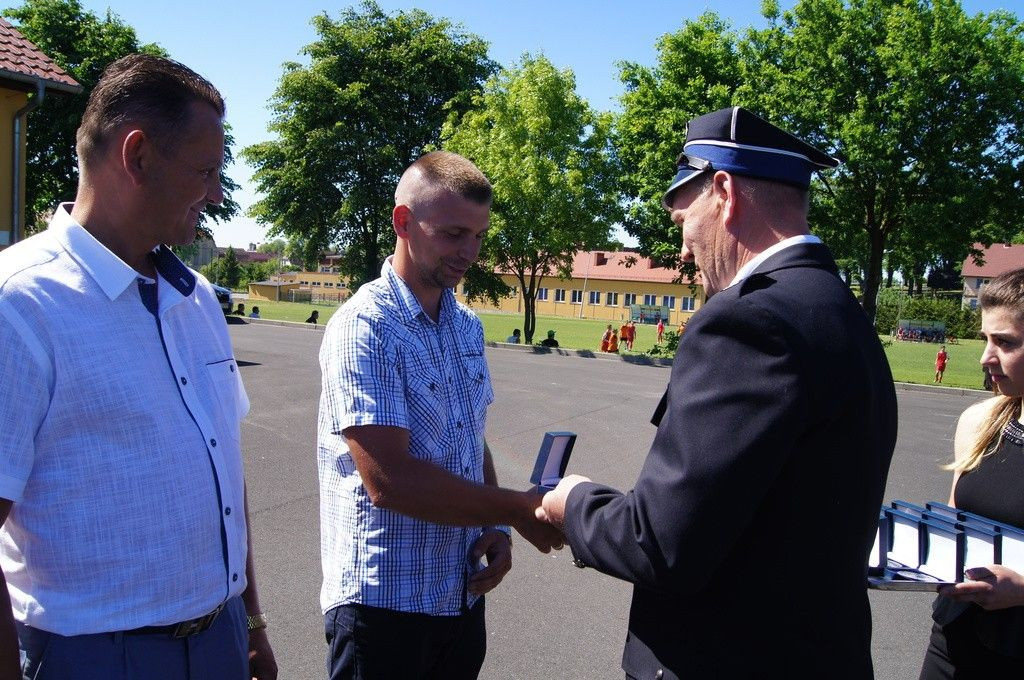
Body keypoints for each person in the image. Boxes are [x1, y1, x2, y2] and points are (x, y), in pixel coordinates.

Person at [537, 106, 897, 679]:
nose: (683, 249)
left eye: (684, 221)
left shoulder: (749, 323)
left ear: (724, 192)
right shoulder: (839, 311)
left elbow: (660, 544)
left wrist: (573, 501)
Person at [0, 55, 276, 679]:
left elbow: (223, 477)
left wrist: (251, 624)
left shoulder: (198, 300)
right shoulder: (18, 305)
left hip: (221, 637)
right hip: (92, 655)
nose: (215, 194)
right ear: (139, 155)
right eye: (205, 171)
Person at [317, 151, 562, 680]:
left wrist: (497, 524)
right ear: (404, 222)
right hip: (384, 608)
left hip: (457, 597)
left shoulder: (465, 326)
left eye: (479, 236)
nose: (470, 252)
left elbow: (471, 438)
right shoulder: (365, 327)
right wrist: (520, 508)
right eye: (454, 234)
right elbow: (389, 480)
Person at [918, 268, 1024, 678]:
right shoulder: (980, 421)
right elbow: (953, 521)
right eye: (986, 339)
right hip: (953, 643)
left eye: (1006, 342)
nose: (985, 357)